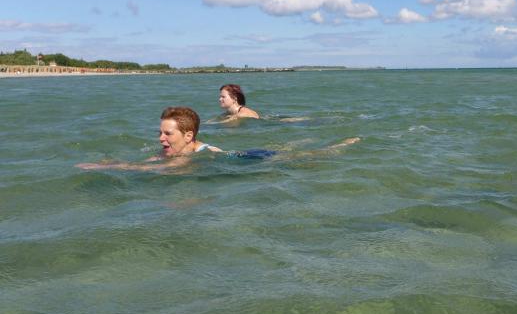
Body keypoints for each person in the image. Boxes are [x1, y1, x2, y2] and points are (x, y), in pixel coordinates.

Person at [76, 106, 359, 171]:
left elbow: (154, 169)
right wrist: (108, 163)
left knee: (294, 157)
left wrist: (112, 167)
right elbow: (150, 162)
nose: (161, 138)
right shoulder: (172, 150)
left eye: (167, 133)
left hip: (249, 159)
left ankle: (337, 146)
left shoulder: (192, 155)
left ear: (188, 136)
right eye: (160, 132)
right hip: (241, 153)